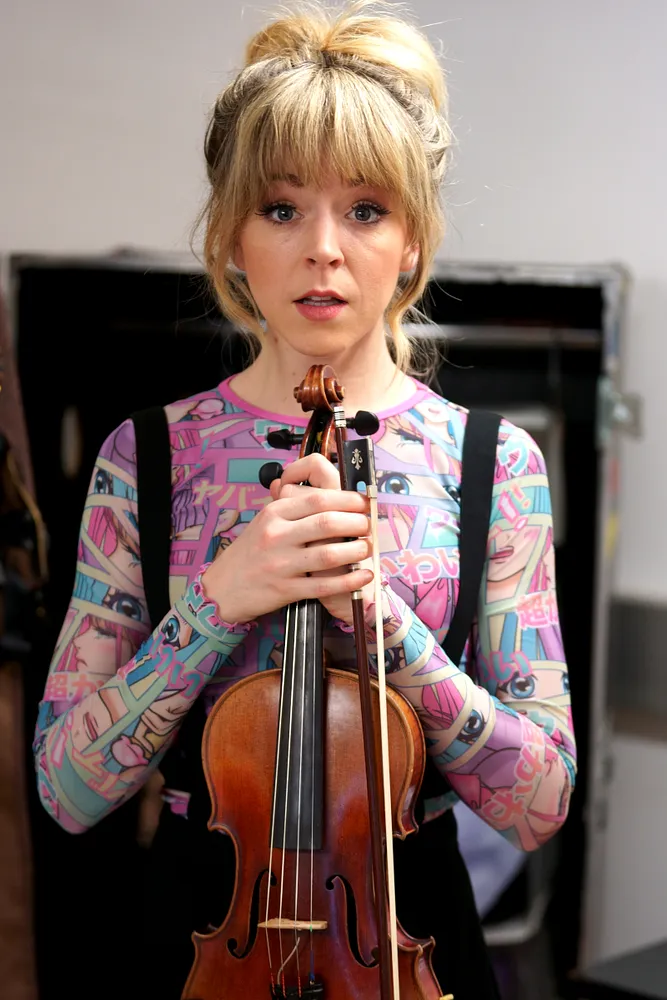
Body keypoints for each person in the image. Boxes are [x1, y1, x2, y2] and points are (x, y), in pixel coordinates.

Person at [32, 2, 576, 997]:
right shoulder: (144, 456)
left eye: (365, 210)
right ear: (232, 237)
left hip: (408, 928)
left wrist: (387, 630)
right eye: (281, 209)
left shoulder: (494, 464)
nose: (323, 249)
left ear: (411, 241)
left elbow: (538, 803)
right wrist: (218, 599)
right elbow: (66, 787)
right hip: (203, 928)